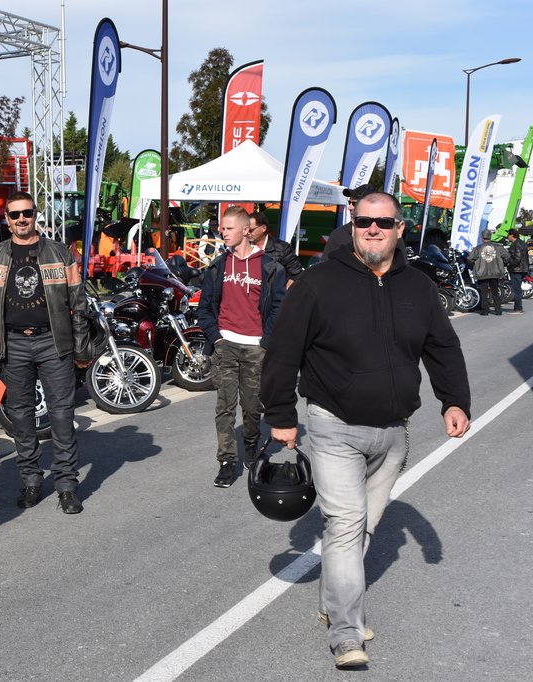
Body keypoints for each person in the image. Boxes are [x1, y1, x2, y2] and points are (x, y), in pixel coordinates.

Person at [260, 192, 471, 668]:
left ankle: (332, 603)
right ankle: (346, 634)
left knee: (364, 529)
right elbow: (284, 350)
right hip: (333, 425)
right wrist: (281, 415)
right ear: (353, 226)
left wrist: (455, 400)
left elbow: (442, 347)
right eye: (363, 222)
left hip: (393, 432)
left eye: (383, 222)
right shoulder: (318, 283)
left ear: (400, 228)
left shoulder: (418, 287)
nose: (373, 229)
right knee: (346, 524)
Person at [0, 191, 92, 514]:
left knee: (62, 415)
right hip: (13, 344)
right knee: (20, 416)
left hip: (53, 342)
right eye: (15, 214)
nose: (21, 219)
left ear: (35, 214)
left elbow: (78, 303)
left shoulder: (60, 253)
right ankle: (31, 480)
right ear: (7, 220)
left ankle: (66, 485)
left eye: (26, 213)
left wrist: (80, 346)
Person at [198, 206, 286, 488]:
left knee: (251, 407)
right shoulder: (217, 267)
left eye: (229, 228)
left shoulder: (270, 267)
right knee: (224, 407)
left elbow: (279, 308)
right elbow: (204, 308)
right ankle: (226, 461)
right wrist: (216, 338)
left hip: (255, 349)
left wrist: (265, 341)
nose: (223, 233)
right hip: (225, 345)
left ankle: (250, 446)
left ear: (246, 230)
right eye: (222, 228)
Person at [321, 186, 374, 261]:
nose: (349, 207)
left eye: (354, 203)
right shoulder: (339, 235)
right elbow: (326, 265)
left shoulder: (385, 233)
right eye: (349, 203)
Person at [248, 211, 303, 284]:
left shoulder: (282, 248)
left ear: (263, 228)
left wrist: (284, 290)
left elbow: (296, 274)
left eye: (251, 230)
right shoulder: (242, 246)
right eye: (246, 230)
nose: (247, 233)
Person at [467, 229, 508, 316]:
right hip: (495, 273)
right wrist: (502, 264)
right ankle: (498, 310)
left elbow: (470, 259)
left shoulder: (478, 248)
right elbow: (507, 257)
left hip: (482, 273)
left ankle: (485, 311)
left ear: (482, 237)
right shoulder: (498, 247)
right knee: (495, 292)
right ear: (490, 236)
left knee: (484, 293)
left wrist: (474, 265)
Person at [505, 228, 529, 314]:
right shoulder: (520, 243)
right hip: (521, 269)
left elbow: (517, 258)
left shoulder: (517, 244)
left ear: (512, 235)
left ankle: (518, 308)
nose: (507, 236)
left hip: (517, 270)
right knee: (517, 289)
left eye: (508, 234)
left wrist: (509, 264)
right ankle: (517, 307)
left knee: (516, 289)